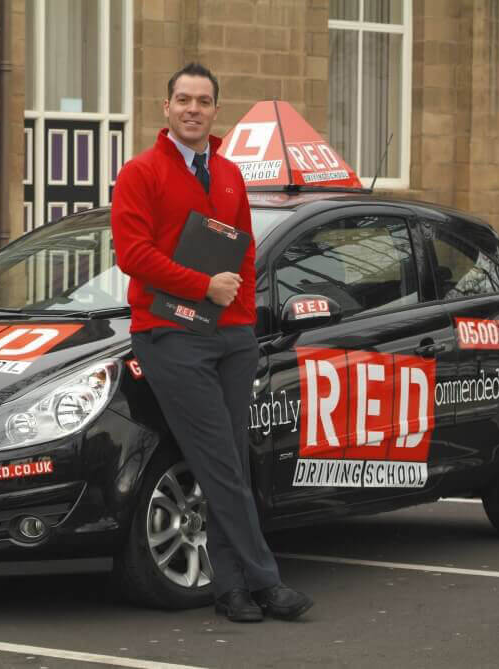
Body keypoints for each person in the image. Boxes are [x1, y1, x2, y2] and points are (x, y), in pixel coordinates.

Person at [110, 63, 313, 623]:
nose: (193, 109)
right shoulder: (140, 173)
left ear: (215, 111)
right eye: (183, 100)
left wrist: (240, 321)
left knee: (229, 464)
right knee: (221, 462)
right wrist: (202, 286)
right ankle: (266, 581)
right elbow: (133, 255)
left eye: (203, 101)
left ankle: (230, 588)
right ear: (166, 107)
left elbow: (244, 252)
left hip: (230, 337)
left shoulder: (227, 174)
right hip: (169, 335)